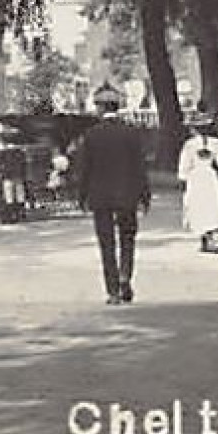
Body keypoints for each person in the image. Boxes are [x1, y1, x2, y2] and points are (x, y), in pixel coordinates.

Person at [72, 86, 151, 304]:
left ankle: (113, 289)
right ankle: (126, 276)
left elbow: (84, 169)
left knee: (106, 243)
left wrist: (82, 196)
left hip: (101, 196)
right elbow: (139, 167)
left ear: (100, 108)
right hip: (127, 194)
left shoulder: (91, 135)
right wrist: (144, 195)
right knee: (127, 238)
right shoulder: (131, 134)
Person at [177, 113, 218, 252]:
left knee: (198, 205)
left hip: (196, 176)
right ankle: (209, 233)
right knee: (210, 205)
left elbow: (184, 164)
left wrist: (183, 179)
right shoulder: (216, 143)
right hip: (209, 176)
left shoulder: (190, 144)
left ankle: (203, 236)